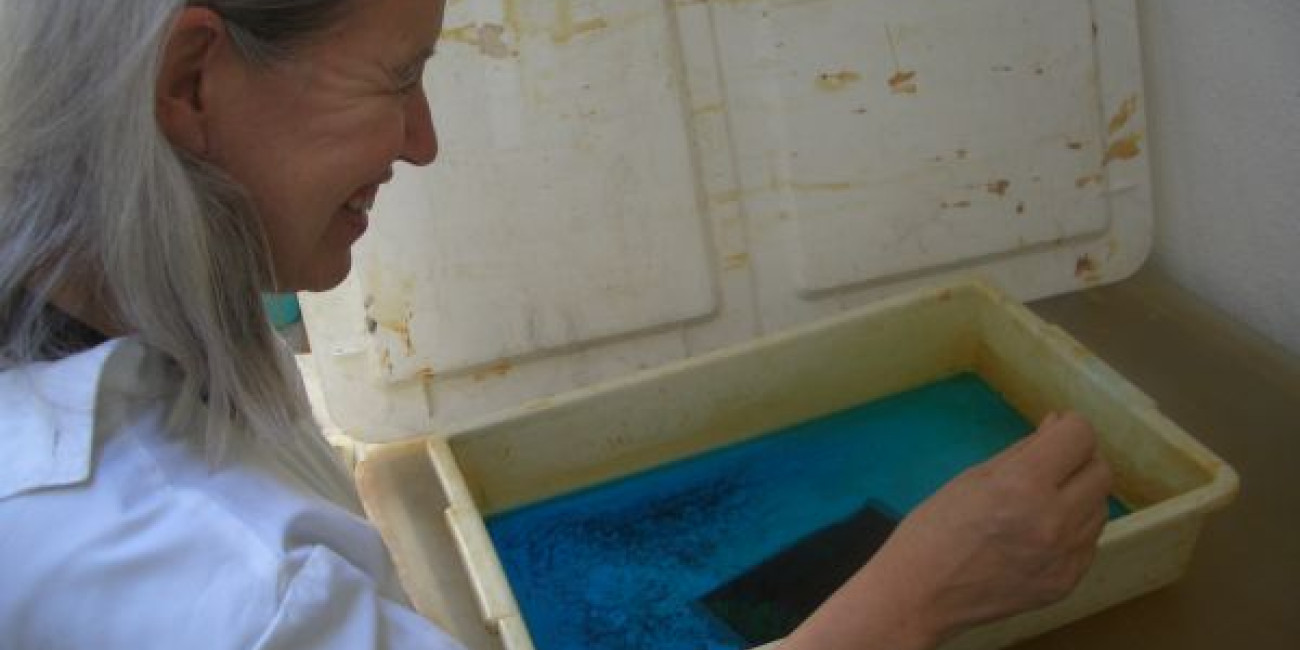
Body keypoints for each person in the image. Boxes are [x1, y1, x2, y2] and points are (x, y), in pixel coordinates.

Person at [0, 1, 1112, 649]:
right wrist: (919, 589)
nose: (422, 141)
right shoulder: (238, 593)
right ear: (192, 82)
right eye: (397, 77)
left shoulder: (102, 306)